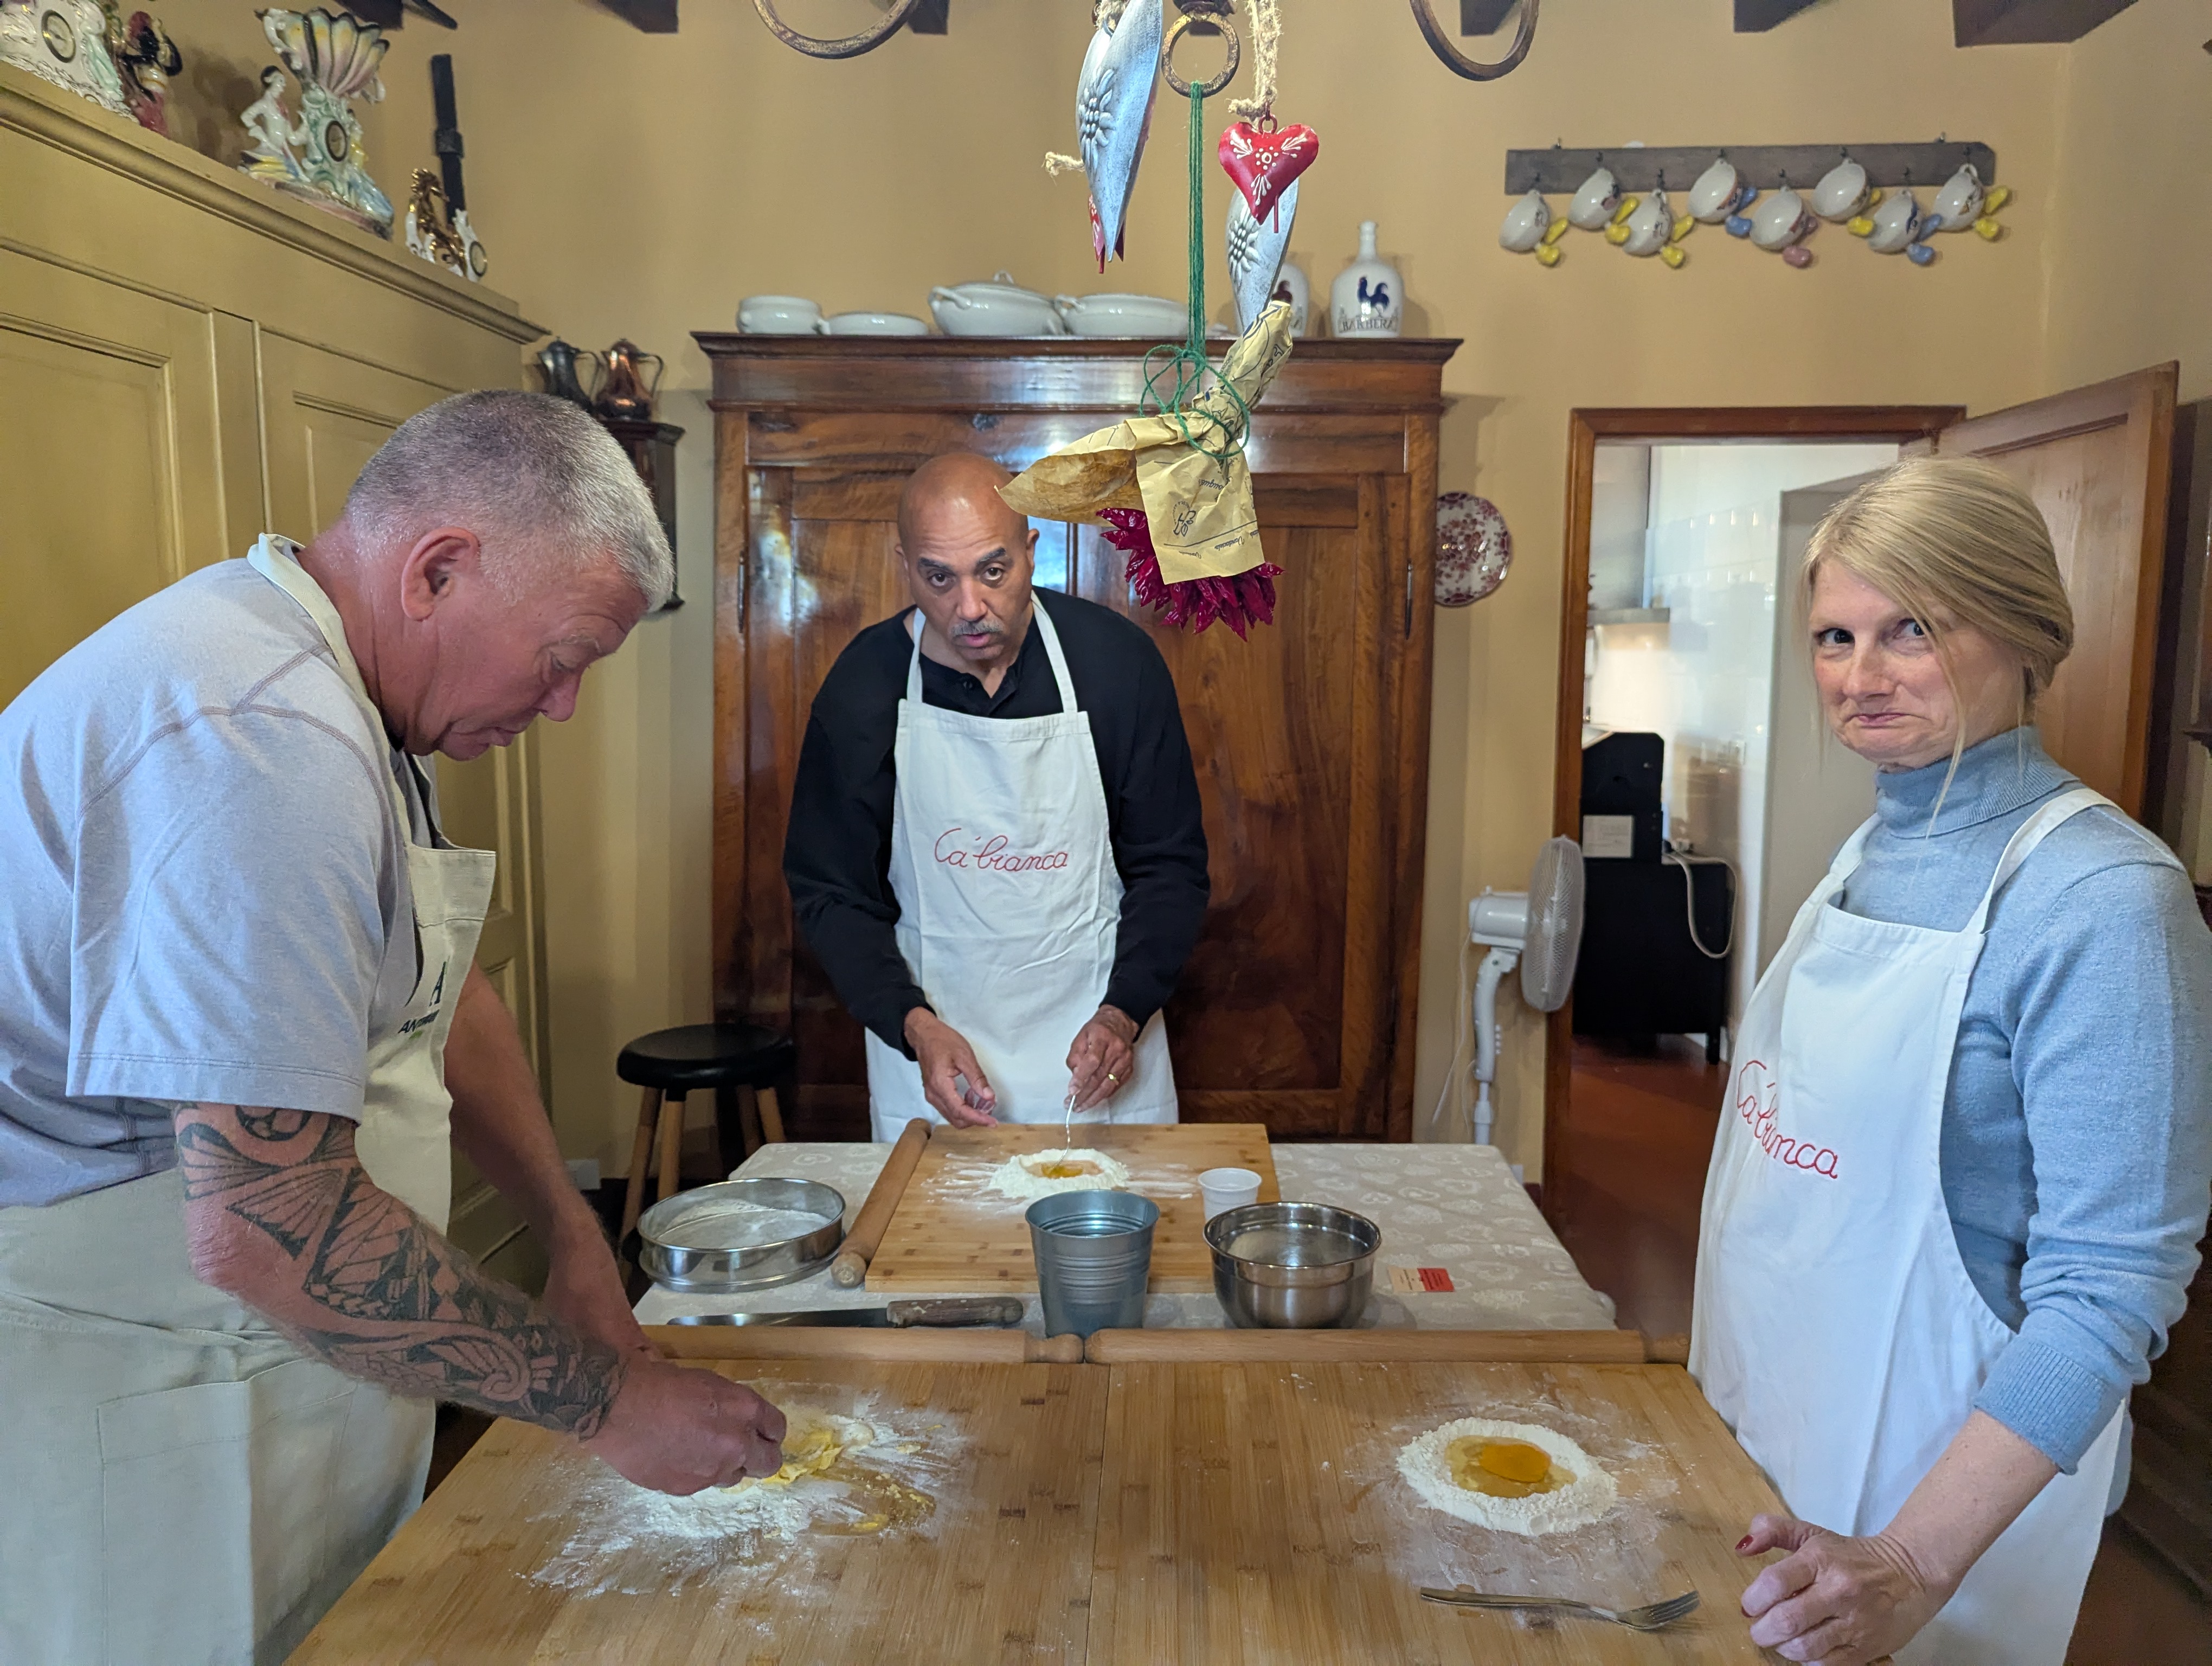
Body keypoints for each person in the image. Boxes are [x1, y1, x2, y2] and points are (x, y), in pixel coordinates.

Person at [0, 392, 787, 1665]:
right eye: (564, 657)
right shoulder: (262, 737)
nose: (563, 705)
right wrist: (606, 1399)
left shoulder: (346, 688)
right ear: (436, 570)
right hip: (133, 1375)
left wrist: (569, 1236)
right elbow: (269, 1219)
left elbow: (441, 990)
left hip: (261, 1360)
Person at [1690, 457, 2212, 1665]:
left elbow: (2112, 1289)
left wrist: (1912, 1561)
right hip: (1768, 1427)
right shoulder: (1869, 852)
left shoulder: (2102, 901)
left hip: (1924, 1507)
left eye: (1912, 629)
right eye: (1835, 636)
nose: (1860, 677)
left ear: (2024, 634)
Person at [785, 452, 1209, 1138]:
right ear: (904, 565)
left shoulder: (1116, 665)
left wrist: (1122, 1012)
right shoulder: (864, 686)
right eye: (939, 577)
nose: (969, 608)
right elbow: (831, 892)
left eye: (992, 571)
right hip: (934, 1060)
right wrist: (912, 1024)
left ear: (1030, 550)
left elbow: (1170, 867)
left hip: (1101, 1053)